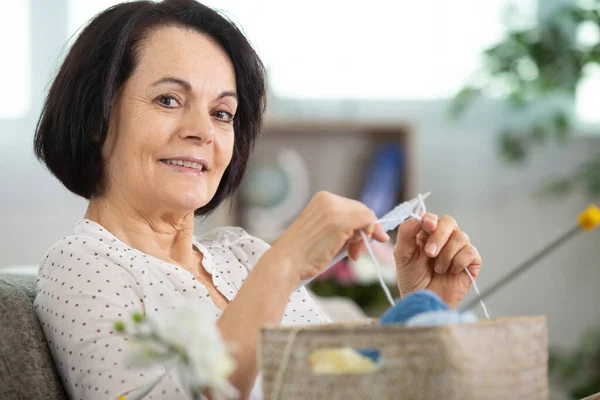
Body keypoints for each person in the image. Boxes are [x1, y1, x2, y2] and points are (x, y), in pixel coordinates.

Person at [33, 1, 482, 399]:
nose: (203, 131)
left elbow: (344, 385)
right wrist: (284, 264)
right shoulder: (82, 266)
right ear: (97, 117)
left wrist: (421, 308)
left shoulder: (245, 255)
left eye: (222, 113)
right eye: (168, 99)